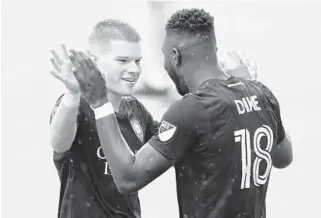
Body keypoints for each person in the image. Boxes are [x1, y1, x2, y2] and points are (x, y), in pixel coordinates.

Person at [71, 8, 292, 218]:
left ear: (175, 56)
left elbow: (128, 179)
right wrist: (248, 85)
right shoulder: (261, 94)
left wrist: (100, 101)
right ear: (213, 50)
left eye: (164, 56)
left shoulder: (192, 109)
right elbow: (284, 157)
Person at [49, 19, 159, 218]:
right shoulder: (77, 105)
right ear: (94, 61)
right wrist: (72, 93)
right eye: (123, 61)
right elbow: (59, 143)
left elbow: (171, 144)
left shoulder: (136, 110)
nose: (134, 69)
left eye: (138, 61)